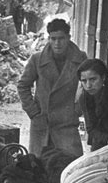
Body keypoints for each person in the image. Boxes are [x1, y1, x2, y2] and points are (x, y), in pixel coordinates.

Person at [17, 18, 87, 157]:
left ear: (68, 38)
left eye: (61, 38)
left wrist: (78, 110)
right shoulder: (37, 59)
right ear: (48, 38)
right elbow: (23, 86)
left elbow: (88, 86)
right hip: (42, 124)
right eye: (53, 38)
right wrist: (34, 112)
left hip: (66, 125)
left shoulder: (80, 59)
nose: (57, 43)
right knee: (38, 168)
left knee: (69, 168)